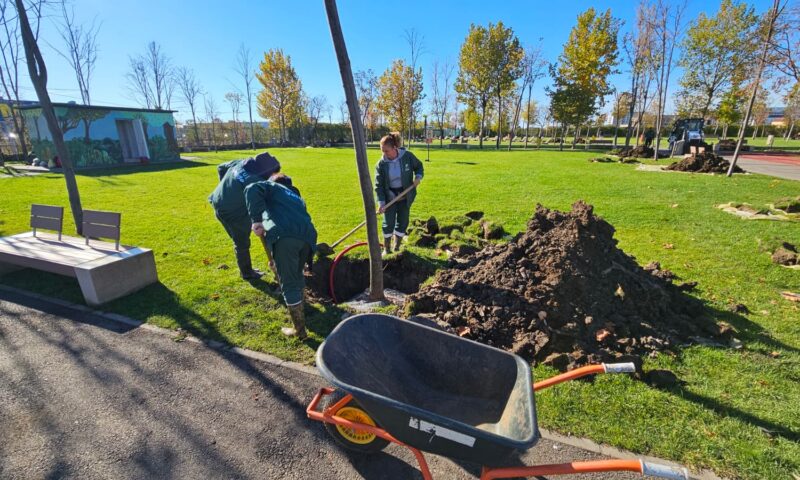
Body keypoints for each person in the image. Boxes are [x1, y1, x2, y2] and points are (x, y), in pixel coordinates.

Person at [245, 177, 318, 339]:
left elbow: (252, 188)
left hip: (286, 238)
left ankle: (299, 330)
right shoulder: (295, 197)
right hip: (308, 237)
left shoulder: (272, 187)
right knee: (297, 274)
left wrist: (256, 221)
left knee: (288, 283)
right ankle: (301, 307)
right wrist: (275, 259)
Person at [209, 152, 280, 280]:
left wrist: (225, 189)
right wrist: (259, 221)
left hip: (217, 200)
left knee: (239, 238)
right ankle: (247, 273)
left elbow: (221, 167)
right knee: (241, 242)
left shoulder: (241, 163)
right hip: (232, 212)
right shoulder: (255, 181)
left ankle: (246, 269)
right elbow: (257, 206)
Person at [374, 132, 424, 255]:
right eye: (382, 151)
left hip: (405, 196)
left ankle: (396, 248)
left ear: (395, 147)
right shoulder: (381, 164)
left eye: (386, 151)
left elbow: (419, 166)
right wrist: (381, 202)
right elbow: (379, 186)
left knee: (403, 221)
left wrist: (418, 177)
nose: (384, 154)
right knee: (388, 223)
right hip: (389, 198)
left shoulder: (407, 156)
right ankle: (386, 249)